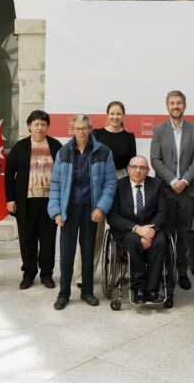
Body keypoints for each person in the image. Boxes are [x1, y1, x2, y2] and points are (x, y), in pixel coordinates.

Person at [48, 114, 117, 310]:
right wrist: (56, 211)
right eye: (77, 128)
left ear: (90, 129)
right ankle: (64, 294)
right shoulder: (63, 153)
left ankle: (87, 291)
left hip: (90, 209)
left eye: (84, 128)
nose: (81, 132)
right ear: (72, 130)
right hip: (68, 210)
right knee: (66, 254)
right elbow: (55, 185)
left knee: (88, 252)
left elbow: (110, 183)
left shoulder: (103, 152)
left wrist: (101, 207)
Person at [150, 90, 194, 291]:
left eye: (179, 103)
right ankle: (167, 271)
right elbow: (155, 159)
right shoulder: (158, 130)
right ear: (167, 106)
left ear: (184, 105)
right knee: (165, 232)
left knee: (184, 233)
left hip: (188, 191)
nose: (176, 106)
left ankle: (182, 272)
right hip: (166, 190)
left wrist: (185, 180)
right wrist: (173, 180)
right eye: (172, 103)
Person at [5, 110, 62, 289]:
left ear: (47, 126)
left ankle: (47, 274)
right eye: (36, 124)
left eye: (43, 124)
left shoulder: (56, 145)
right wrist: (10, 199)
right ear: (29, 126)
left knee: (48, 239)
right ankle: (28, 273)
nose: (39, 127)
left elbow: (63, 174)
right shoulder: (20, 146)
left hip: (49, 202)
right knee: (27, 238)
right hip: (26, 201)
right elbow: (9, 175)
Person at [82, 101, 137, 286]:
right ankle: (84, 274)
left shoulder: (129, 137)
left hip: (122, 181)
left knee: (121, 228)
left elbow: (132, 165)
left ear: (123, 116)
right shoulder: (96, 134)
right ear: (107, 115)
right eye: (112, 113)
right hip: (99, 182)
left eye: (119, 114)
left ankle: (120, 274)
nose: (115, 117)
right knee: (94, 232)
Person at [107, 155, 167, 304]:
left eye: (143, 168)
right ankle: (139, 287)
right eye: (134, 167)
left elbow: (162, 211)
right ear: (128, 169)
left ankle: (152, 290)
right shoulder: (118, 186)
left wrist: (149, 233)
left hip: (151, 229)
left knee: (160, 242)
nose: (138, 171)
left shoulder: (157, 185)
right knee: (133, 241)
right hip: (127, 231)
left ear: (148, 171)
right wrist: (136, 229)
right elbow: (113, 217)